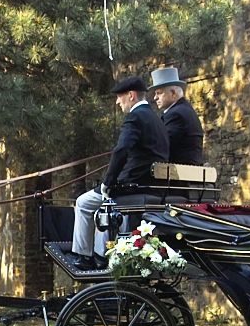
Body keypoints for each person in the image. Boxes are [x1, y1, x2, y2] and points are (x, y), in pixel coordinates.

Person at [68, 76, 170, 270]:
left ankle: (84, 256)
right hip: (152, 185)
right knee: (102, 208)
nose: (117, 102)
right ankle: (100, 252)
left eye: (119, 97)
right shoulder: (157, 119)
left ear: (131, 96)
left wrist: (107, 182)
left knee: (83, 203)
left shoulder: (135, 117)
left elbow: (122, 150)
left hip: (133, 184)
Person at [149, 67, 204, 165]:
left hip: (181, 174)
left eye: (159, 93)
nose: (155, 97)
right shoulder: (182, 109)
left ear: (173, 93)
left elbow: (162, 145)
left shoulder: (177, 114)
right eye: (155, 93)